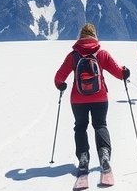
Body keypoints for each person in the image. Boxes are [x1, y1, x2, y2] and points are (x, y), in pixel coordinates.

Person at [54, 22, 131, 175]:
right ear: (95, 36)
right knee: (100, 125)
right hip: (100, 97)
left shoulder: (73, 56)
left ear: (80, 37)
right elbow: (118, 73)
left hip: (78, 98)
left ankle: (83, 158)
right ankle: (104, 155)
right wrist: (125, 72)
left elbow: (59, 78)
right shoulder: (101, 54)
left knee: (80, 127)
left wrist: (61, 86)